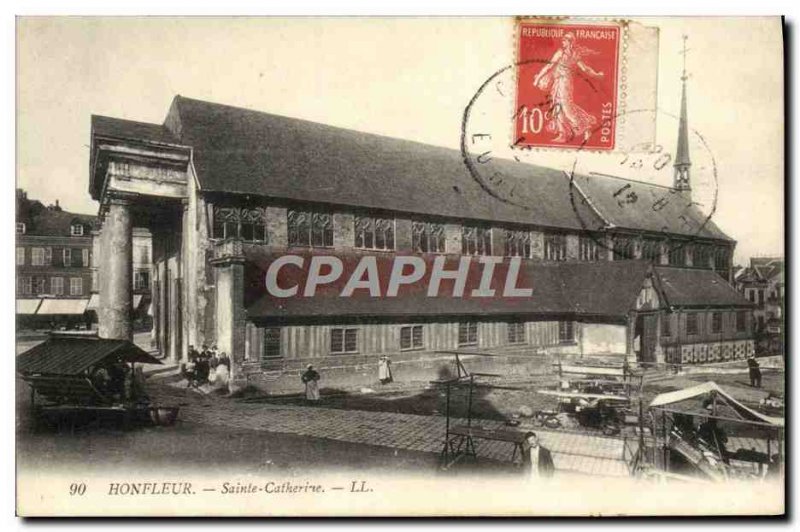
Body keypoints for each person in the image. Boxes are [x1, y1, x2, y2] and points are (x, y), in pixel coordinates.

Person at [532, 32, 604, 143]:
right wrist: (538, 78)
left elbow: (585, 69)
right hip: (558, 81)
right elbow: (549, 66)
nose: (563, 42)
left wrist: (596, 75)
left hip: (565, 82)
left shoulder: (573, 55)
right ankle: (563, 134)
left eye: (565, 41)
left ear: (570, 42)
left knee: (566, 107)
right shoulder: (561, 53)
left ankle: (584, 127)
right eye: (562, 41)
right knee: (557, 107)